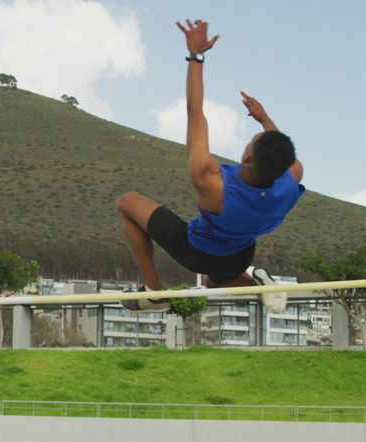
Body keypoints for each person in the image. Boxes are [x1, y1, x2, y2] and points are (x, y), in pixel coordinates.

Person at [117, 19, 304, 314]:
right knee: (211, 281)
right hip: (239, 256)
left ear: (248, 158)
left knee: (127, 203)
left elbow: (195, 112)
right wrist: (265, 118)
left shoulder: (213, 182)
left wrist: (196, 56)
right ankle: (259, 286)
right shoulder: (290, 182)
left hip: (198, 251)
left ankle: (154, 292)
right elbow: (285, 156)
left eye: (253, 139)